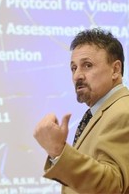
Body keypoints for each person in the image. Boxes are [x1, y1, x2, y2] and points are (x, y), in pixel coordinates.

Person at [33, 28, 129, 193]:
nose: (77, 75)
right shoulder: (102, 111)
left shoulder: (123, 112)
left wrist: (58, 151)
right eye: (73, 68)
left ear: (115, 70)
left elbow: (113, 186)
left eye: (87, 65)